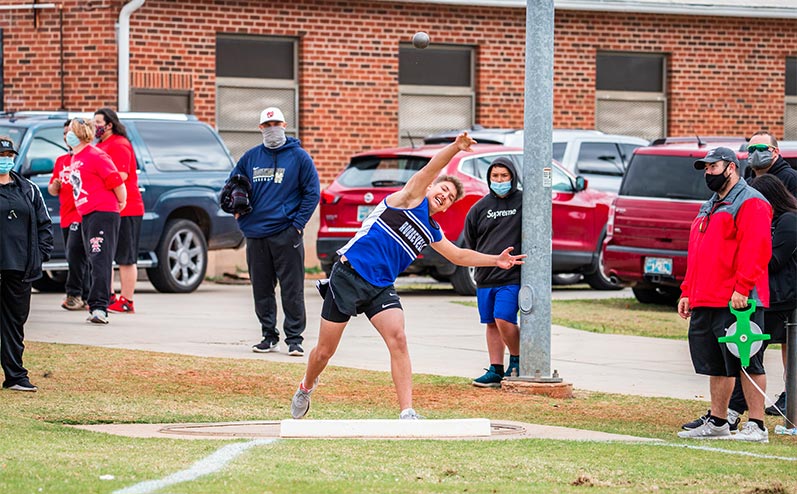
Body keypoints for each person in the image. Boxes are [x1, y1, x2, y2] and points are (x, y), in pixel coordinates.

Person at [290, 132, 526, 420]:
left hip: (380, 287)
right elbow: (430, 169)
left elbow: (459, 256)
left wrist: (497, 260)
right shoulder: (408, 198)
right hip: (349, 275)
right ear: (430, 188)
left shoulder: (431, 230)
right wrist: (454, 148)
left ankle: (407, 412)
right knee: (325, 351)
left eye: (450, 198)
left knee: (398, 339)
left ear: (449, 207)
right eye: (442, 190)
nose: (444, 196)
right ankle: (306, 385)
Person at [677, 146, 772, 443]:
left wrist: (742, 287)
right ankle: (718, 421)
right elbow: (699, 252)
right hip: (707, 296)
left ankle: (757, 424)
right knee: (715, 364)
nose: (708, 173)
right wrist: (688, 291)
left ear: (731, 167)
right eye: (705, 169)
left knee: (746, 360)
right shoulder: (711, 205)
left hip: (737, 300)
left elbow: (756, 250)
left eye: (712, 167)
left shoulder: (751, 203)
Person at [229, 107, 320, 357]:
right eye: (267, 125)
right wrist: (238, 214)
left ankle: (294, 339)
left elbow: (312, 193)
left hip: (286, 232)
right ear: (260, 128)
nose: (272, 129)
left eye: (276, 124)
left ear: (284, 125)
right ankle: (268, 336)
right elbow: (233, 186)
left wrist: (298, 225)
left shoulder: (299, 157)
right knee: (261, 288)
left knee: (292, 289)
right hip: (256, 234)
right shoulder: (250, 158)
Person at [0, 136, 53, 392]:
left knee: (14, 322)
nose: (5, 160)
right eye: (2, 155)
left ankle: (15, 377)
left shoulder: (28, 189)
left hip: (20, 267)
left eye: (9, 156)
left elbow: (45, 225)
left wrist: (40, 255)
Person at [464, 157, 521, 387]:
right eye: (495, 176)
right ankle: (495, 369)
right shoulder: (479, 208)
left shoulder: (524, 201)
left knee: (503, 317)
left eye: (504, 176)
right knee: (490, 323)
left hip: (512, 276)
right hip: (485, 276)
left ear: (512, 177)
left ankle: (517, 361)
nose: (499, 180)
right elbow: (470, 241)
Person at [69, 118, 127, 324]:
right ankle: (92, 301)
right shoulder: (76, 157)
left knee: (100, 259)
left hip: (103, 212)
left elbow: (115, 180)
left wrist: (122, 201)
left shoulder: (96, 155)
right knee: (89, 259)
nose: (68, 134)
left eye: (71, 131)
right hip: (87, 213)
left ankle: (99, 307)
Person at [751, 175, 796, 416]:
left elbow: (775, 260)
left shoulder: (788, 220)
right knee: (750, 352)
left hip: (781, 298)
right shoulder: (772, 220)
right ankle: (737, 406)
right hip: (767, 296)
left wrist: (751, 244)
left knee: (754, 351)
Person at [94, 108, 144, 314]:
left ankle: (127, 300)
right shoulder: (100, 145)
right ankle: (109, 296)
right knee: (107, 255)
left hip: (128, 207)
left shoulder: (120, 144)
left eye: (98, 122)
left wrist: (97, 183)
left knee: (126, 256)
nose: (94, 126)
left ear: (109, 124)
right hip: (109, 208)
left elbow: (121, 175)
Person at [48, 120, 89, 311]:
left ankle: (74, 294)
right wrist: (55, 186)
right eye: (64, 133)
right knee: (75, 256)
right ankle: (87, 293)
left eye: (70, 132)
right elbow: (52, 189)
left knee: (75, 253)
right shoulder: (61, 161)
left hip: (82, 214)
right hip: (65, 214)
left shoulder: (87, 158)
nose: (66, 137)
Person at [744, 131, 797, 197]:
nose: (756, 152)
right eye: (752, 149)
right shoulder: (747, 183)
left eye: (762, 148)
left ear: (775, 151)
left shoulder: (791, 179)